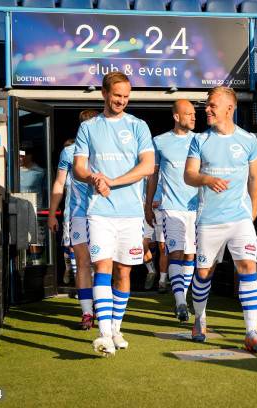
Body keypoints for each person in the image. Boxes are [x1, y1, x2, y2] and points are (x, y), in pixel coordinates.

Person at [73, 72, 155, 356]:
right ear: (104, 94)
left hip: (131, 213)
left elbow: (147, 166)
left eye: (126, 96)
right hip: (99, 212)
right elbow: (78, 167)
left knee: (124, 271)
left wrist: (112, 180)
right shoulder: (89, 128)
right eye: (117, 95)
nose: (121, 100)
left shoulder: (138, 126)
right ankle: (104, 334)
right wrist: (94, 177)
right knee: (103, 269)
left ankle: (116, 327)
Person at [184, 86, 257, 353]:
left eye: (212, 105)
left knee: (248, 268)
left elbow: (255, 178)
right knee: (203, 273)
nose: (206, 109)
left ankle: (251, 332)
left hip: (240, 218)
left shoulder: (248, 140)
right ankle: (199, 319)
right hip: (209, 219)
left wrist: (253, 208)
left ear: (229, 109)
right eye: (207, 105)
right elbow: (189, 175)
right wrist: (207, 179)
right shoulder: (200, 140)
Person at [147, 99, 198, 322]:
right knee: (174, 253)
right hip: (171, 209)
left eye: (194, 113)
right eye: (188, 114)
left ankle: (183, 298)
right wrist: (148, 204)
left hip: (197, 209)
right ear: (176, 116)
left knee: (190, 255)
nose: (193, 117)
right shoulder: (159, 142)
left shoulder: (201, 140)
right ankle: (179, 303)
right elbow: (153, 175)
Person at [48, 109, 98, 330]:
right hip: (77, 214)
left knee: (105, 265)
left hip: (105, 214)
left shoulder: (109, 148)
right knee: (83, 263)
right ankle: (87, 312)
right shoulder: (69, 152)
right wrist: (52, 213)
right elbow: (59, 184)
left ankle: (103, 308)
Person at [142, 179, 168, 292]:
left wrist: (162, 202)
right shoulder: (140, 165)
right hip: (143, 209)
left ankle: (162, 280)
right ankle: (151, 270)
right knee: (141, 244)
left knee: (163, 247)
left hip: (162, 210)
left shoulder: (165, 165)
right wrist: (146, 204)